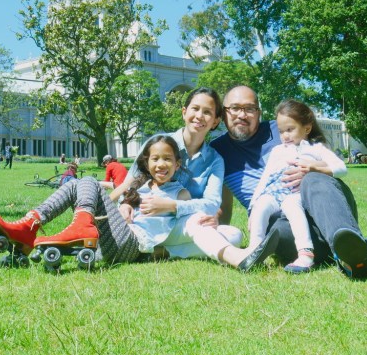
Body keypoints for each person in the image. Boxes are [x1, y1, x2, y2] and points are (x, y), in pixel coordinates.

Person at [211, 86, 367, 279]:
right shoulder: (217, 151)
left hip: (323, 200)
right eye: (235, 108)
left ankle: (351, 245)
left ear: (259, 112)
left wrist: (310, 168)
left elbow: (324, 154)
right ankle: (364, 250)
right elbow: (223, 205)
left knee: (313, 179)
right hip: (278, 219)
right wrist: (209, 231)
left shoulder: (280, 127)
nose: (242, 115)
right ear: (223, 112)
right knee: (277, 234)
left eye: (250, 108)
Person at [114, 87, 278, 270]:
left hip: (181, 227)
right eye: (195, 109)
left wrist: (173, 206)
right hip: (149, 221)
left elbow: (212, 203)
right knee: (198, 221)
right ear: (184, 112)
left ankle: (161, 252)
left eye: (207, 112)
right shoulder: (158, 144)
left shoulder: (214, 159)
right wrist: (124, 204)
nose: (200, 116)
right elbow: (131, 184)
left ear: (216, 121)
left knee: (234, 235)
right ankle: (240, 259)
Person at [0, 135, 190, 264]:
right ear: (147, 163)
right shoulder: (141, 184)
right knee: (76, 184)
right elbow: (107, 199)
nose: (161, 164)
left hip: (133, 245)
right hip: (115, 236)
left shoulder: (180, 193)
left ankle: (62, 226)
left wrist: (169, 211)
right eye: (155, 159)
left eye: (167, 159)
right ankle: (29, 225)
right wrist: (123, 206)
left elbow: (191, 225)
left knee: (88, 180)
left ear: (177, 164)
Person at [247, 99, 347, 274]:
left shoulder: (316, 149)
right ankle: (254, 250)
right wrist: (253, 204)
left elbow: (341, 168)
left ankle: (305, 253)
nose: (285, 136)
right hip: (274, 190)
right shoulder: (278, 150)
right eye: (281, 131)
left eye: (290, 129)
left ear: (307, 128)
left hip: (295, 192)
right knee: (260, 207)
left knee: (292, 207)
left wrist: (315, 167)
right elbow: (265, 177)